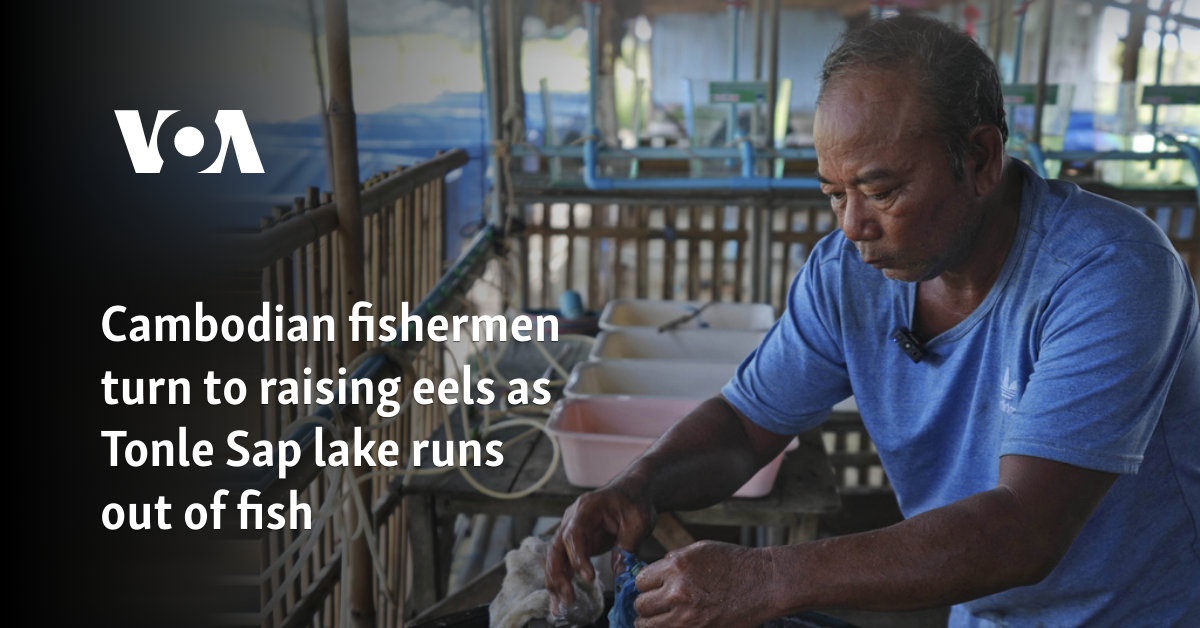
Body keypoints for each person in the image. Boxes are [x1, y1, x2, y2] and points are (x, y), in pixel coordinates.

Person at [545, 13, 1200, 628]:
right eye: (834, 194)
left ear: (979, 158)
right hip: (981, 610)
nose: (852, 227)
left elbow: (1023, 529)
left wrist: (767, 575)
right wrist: (639, 482)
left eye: (882, 190)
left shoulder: (1110, 273)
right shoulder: (846, 275)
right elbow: (746, 425)